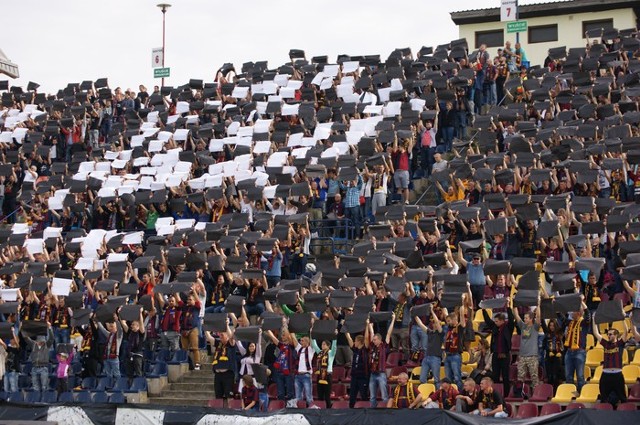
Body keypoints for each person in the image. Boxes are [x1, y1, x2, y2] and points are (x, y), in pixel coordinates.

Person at [593, 313, 628, 406]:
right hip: (605, 374)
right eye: (608, 334)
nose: (608, 336)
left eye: (610, 334)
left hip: (617, 375)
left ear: (616, 335)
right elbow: (596, 333)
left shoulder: (620, 343)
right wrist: (594, 319)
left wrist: (623, 318)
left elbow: (626, 331)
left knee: (623, 398)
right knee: (603, 398)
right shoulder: (606, 344)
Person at [482, 306, 515, 397]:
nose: (495, 323)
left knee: (505, 377)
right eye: (495, 321)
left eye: (497, 321)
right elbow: (488, 321)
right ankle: (495, 394)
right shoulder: (495, 327)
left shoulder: (508, 327)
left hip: (505, 355)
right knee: (495, 376)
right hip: (496, 355)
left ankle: (506, 395)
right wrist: (484, 310)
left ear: (502, 321)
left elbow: (512, 319)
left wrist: (508, 308)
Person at [365, 313, 395, 407]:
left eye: (375, 339)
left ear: (379, 340)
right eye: (373, 339)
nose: (373, 340)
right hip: (373, 373)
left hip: (381, 373)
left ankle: (386, 413)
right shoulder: (372, 346)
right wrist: (368, 324)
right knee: (372, 397)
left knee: (384, 396)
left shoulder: (384, 346)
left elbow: (389, 333)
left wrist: (393, 319)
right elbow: (371, 333)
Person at [206, 321, 238, 407]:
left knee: (229, 395)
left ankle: (230, 411)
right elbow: (210, 338)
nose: (221, 337)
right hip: (218, 374)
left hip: (227, 374)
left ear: (227, 336)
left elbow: (232, 337)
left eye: (222, 335)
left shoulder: (231, 344)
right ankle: (219, 411)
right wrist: (206, 329)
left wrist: (227, 325)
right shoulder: (219, 344)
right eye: (220, 335)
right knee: (218, 395)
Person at [561, 296, 590, 392]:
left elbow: (588, 314)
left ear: (578, 313)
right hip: (569, 351)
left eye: (573, 311)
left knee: (580, 376)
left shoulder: (584, 323)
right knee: (568, 376)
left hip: (580, 351)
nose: (571, 313)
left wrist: (581, 302)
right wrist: (557, 307)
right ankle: (569, 394)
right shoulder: (570, 322)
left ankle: (582, 394)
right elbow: (561, 318)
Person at [513, 303, 541, 393]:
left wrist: (539, 305)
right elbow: (516, 315)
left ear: (531, 319)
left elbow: (539, 317)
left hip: (532, 356)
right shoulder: (522, 326)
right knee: (520, 378)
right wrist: (514, 304)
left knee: (534, 377)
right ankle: (520, 394)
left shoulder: (535, 327)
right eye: (524, 318)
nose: (524, 319)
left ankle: (536, 394)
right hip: (522, 356)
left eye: (526, 318)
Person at [415, 310, 444, 388]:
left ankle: (438, 396)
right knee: (422, 379)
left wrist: (431, 311)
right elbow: (421, 324)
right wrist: (415, 314)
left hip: (435, 358)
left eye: (436, 323)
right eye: (433, 323)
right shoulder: (430, 332)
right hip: (427, 357)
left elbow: (437, 322)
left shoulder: (441, 333)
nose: (435, 324)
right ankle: (424, 393)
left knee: (436, 380)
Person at [23, 326, 54, 392]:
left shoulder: (46, 345)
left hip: (43, 368)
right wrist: (22, 329)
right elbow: (26, 338)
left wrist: (50, 328)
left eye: (42, 341)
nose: (41, 342)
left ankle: (44, 400)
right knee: (35, 386)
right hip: (34, 367)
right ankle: (36, 400)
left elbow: (51, 338)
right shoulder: (33, 344)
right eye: (39, 341)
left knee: (44, 386)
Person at [443, 300, 466, 390]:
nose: (447, 322)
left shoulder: (459, 328)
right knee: (448, 379)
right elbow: (445, 312)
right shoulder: (448, 328)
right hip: (448, 355)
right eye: (447, 321)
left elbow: (462, 319)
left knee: (457, 378)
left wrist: (462, 305)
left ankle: (460, 393)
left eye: (449, 321)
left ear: (455, 320)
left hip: (456, 355)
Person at [345, 332, 369, 408]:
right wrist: (346, 331)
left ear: (359, 342)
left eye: (355, 340)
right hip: (354, 376)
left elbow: (366, 338)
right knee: (352, 395)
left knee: (363, 395)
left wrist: (367, 325)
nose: (354, 342)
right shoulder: (355, 350)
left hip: (362, 377)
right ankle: (351, 410)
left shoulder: (365, 350)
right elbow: (349, 340)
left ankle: (366, 412)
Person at [311, 337, 337, 408]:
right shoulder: (320, 352)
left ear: (328, 346)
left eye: (324, 344)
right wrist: (312, 335)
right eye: (322, 344)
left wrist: (334, 337)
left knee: (327, 395)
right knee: (320, 395)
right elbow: (314, 345)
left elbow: (334, 346)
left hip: (327, 376)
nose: (322, 345)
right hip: (320, 376)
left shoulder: (331, 353)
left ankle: (328, 410)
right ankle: (320, 410)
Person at [121, 306, 146, 378]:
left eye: (133, 324)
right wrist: (120, 313)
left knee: (138, 372)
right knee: (129, 373)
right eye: (131, 324)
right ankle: (130, 385)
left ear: (138, 326)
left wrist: (140, 313)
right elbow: (123, 323)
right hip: (130, 355)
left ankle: (139, 385)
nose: (131, 326)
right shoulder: (130, 332)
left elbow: (141, 323)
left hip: (138, 355)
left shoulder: (141, 333)